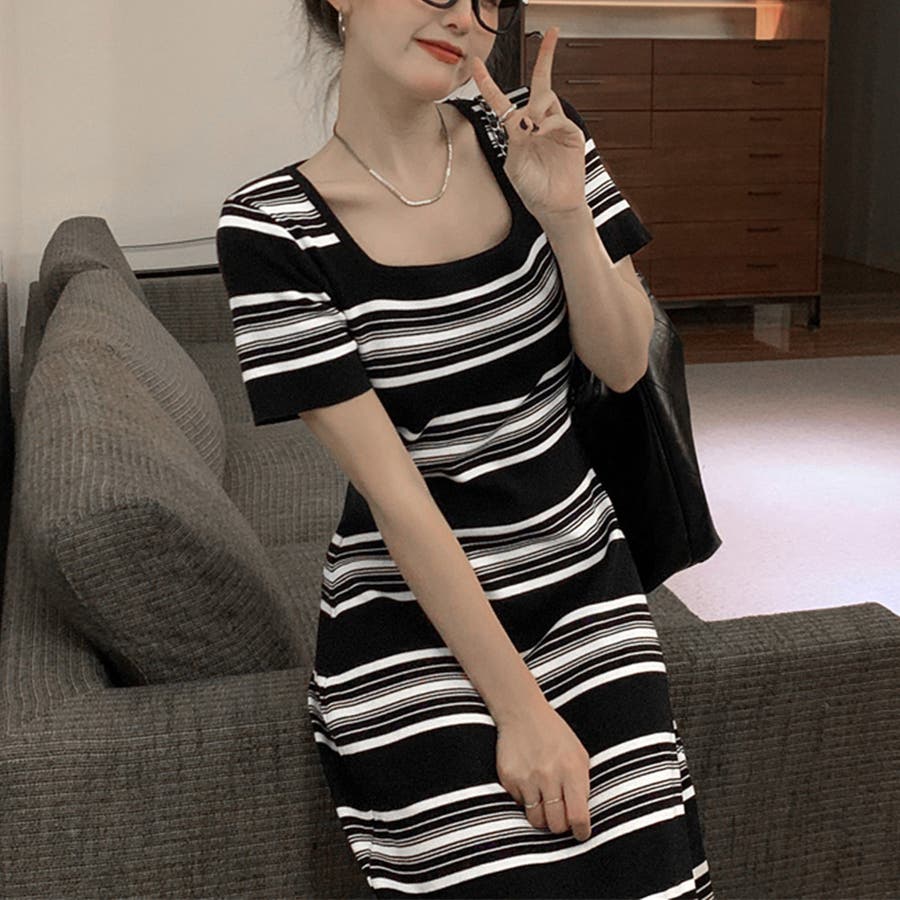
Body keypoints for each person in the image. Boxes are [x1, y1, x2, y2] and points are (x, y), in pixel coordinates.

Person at [216, 2, 715, 897]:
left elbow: (622, 362)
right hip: (413, 613)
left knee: (650, 873)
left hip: (581, 577)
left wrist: (564, 213)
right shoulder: (271, 229)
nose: (463, 14)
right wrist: (520, 710)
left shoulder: (542, 136)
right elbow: (397, 497)